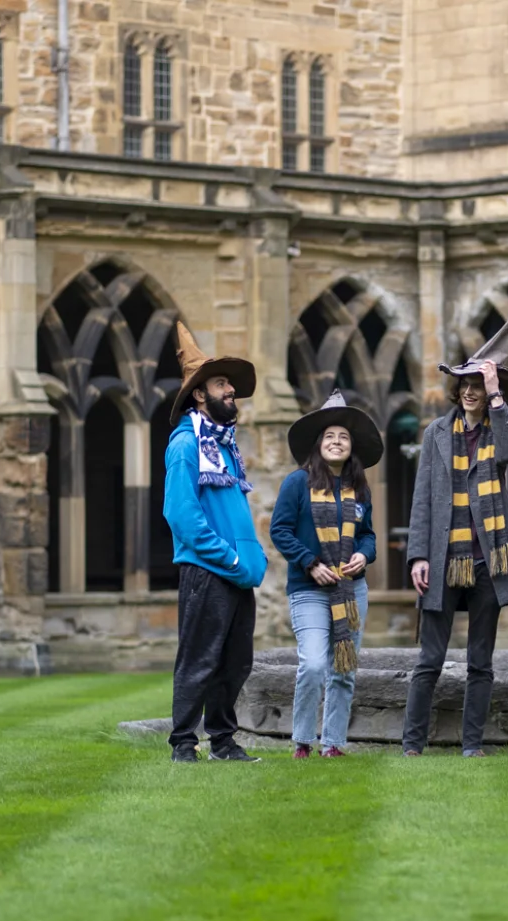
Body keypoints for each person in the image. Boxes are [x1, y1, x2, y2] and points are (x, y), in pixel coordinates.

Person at [401, 318, 508, 757]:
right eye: (464, 384)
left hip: (488, 560)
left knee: (480, 662)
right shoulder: (436, 434)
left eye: (477, 386)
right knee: (429, 661)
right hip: (443, 558)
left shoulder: (506, 429)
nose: (468, 392)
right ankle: (411, 745)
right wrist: (417, 556)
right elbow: (422, 498)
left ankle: (472, 746)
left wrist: (497, 395)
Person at [161, 322, 266, 764]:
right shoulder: (187, 444)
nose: (231, 392)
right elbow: (181, 515)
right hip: (207, 570)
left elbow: (233, 513)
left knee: (235, 663)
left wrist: (251, 557)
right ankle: (184, 742)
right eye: (222, 384)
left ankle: (223, 741)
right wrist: (229, 557)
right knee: (200, 660)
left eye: (230, 385)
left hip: (236, 573)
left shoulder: (224, 446)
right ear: (199, 394)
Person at [269, 390, 382, 759]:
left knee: (343, 670)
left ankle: (332, 743)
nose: (336, 442)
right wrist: (311, 563)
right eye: (330, 437)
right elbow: (280, 530)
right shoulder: (296, 483)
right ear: (318, 445)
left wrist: (363, 557)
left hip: (352, 591)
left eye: (343, 437)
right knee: (315, 664)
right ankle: (303, 740)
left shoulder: (358, 489)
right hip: (308, 588)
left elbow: (368, 537)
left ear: (352, 448)